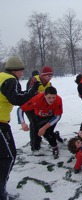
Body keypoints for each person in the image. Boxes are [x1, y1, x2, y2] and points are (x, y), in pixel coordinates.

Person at [0, 56, 39, 200]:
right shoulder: (10, 80)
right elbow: (16, 99)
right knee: (8, 157)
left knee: (5, 156)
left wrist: (29, 92)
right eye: (21, 71)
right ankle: (1, 193)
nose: (22, 74)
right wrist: (32, 91)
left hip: (3, 122)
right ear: (15, 70)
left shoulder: (1, 77)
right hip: (0, 124)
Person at [17, 86, 63, 159]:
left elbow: (57, 117)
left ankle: (54, 146)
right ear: (44, 95)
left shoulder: (58, 100)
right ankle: (36, 148)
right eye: (49, 97)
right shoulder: (37, 99)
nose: (51, 100)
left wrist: (44, 128)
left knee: (48, 133)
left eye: (53, 97)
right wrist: (22, 123)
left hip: (51, 117)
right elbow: (20, 109)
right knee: (36, 132)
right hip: (38, 116)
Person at [25, 66, 61, 152]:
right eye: (48, 76)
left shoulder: (49, 84)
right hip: (31, 105)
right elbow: (28, 93)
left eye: (51, 76)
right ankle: (35, 146)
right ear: (43, 75)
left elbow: (52, 94)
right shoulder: (34, 79)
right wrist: (37, 93)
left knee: (44, 125)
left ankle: (47, 137)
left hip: (41, 106)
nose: (50, 78)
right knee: (34, 125)